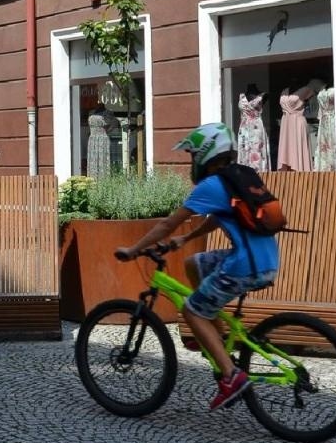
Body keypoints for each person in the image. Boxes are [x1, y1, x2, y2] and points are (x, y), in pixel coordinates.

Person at [115, 122, 281, 411]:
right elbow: (221, 217)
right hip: (266, 260)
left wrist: (134, 250)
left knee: (191, 309)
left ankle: (231, 376)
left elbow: (168, 223)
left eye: (193, 155)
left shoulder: (211, 185)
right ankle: (213, 336)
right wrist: (187, 238)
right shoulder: (238, 178)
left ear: (205, 154)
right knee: (195, 263)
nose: (192, 162)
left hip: (243, 266)